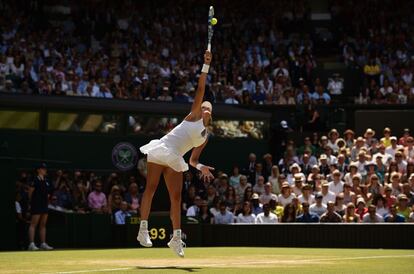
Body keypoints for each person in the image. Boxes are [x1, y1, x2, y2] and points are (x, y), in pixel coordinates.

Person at [137, 51, 214, 257]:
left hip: (175, 158)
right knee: (151, 189)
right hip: (162, 149)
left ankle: (176, 239)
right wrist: (205, 65)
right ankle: (143, 230)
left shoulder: (205, 136)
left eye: (207, 108)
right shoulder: (194, 114)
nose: (204, 108)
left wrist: (200, 167)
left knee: (176, 198)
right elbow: (200, 88)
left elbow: (193, 160)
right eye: (203, 106)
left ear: (211, 114)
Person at [28, 163, 53, 251]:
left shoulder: (46, 180)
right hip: (36, 204)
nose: (45, 170)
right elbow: (30, 192)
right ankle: (31, 244)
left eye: (45, 169)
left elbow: (48, 192)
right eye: (43, 168)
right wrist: (32, 202)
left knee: (43, 225)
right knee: (33, 224)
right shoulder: (34, 179)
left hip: (44, 204)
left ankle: (43, 243)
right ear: (38, 170)